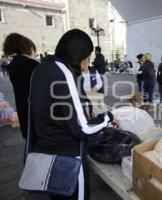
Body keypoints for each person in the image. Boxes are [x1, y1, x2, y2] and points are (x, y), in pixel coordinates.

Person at [29, 29, 116, 200]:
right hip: (68, 155)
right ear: (77, 55)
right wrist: (108, 117)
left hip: (46, 150)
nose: (88, 63)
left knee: (58, 195)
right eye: (87, 57)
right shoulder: (64, 74)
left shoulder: (42, 69)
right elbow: (83, 128)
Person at [3, 33, 39, 139]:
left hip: (25, 117)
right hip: (38, 121)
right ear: (29, 48)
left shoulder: (15, 66)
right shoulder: (32, 66)